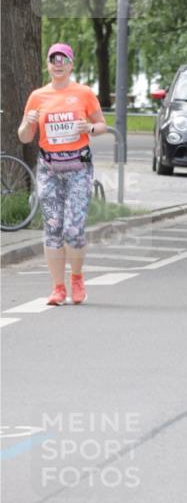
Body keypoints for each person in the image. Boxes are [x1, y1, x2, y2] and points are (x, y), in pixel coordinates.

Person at [17, 43, 107, 306]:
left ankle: (76, 278)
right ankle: (58, 288)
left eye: (63, 59)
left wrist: (89, 127)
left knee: (74, 229)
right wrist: (28, 123)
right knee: (53, 227)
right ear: (48, 64)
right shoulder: (37, 96)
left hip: (78, 168)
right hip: (49, 169)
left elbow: (102, 125)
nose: (58, 63)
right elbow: (24, 137)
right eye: (53, 59)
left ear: (71, 64)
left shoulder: (84, 93)